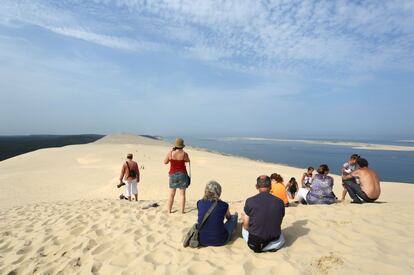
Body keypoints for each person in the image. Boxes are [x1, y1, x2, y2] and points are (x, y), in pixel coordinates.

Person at [242, 175, 285, 253]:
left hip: (254, 243)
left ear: (256, 186)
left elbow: (245, 225)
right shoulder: (280, 202)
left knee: (244, 226)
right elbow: (279, 221)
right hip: (274, 242)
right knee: (281, 234)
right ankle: (269, 247)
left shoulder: (250, 201)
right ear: (271, 187)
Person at [197, 181, 238, 246]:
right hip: (220, 240)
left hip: (201, 239)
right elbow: (228, 218)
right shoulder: (224, 205)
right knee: (233, 218)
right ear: (218, 192)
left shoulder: (199, 202)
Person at [164, 138, 190, 214]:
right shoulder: (184, 154)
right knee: (182, 194)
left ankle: (169, 210)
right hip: (182, 174)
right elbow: (188, 160)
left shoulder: (170, 153)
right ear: (182, 146)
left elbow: (165, 162)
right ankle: (182, 211)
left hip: (173, 174)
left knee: (172, 194)